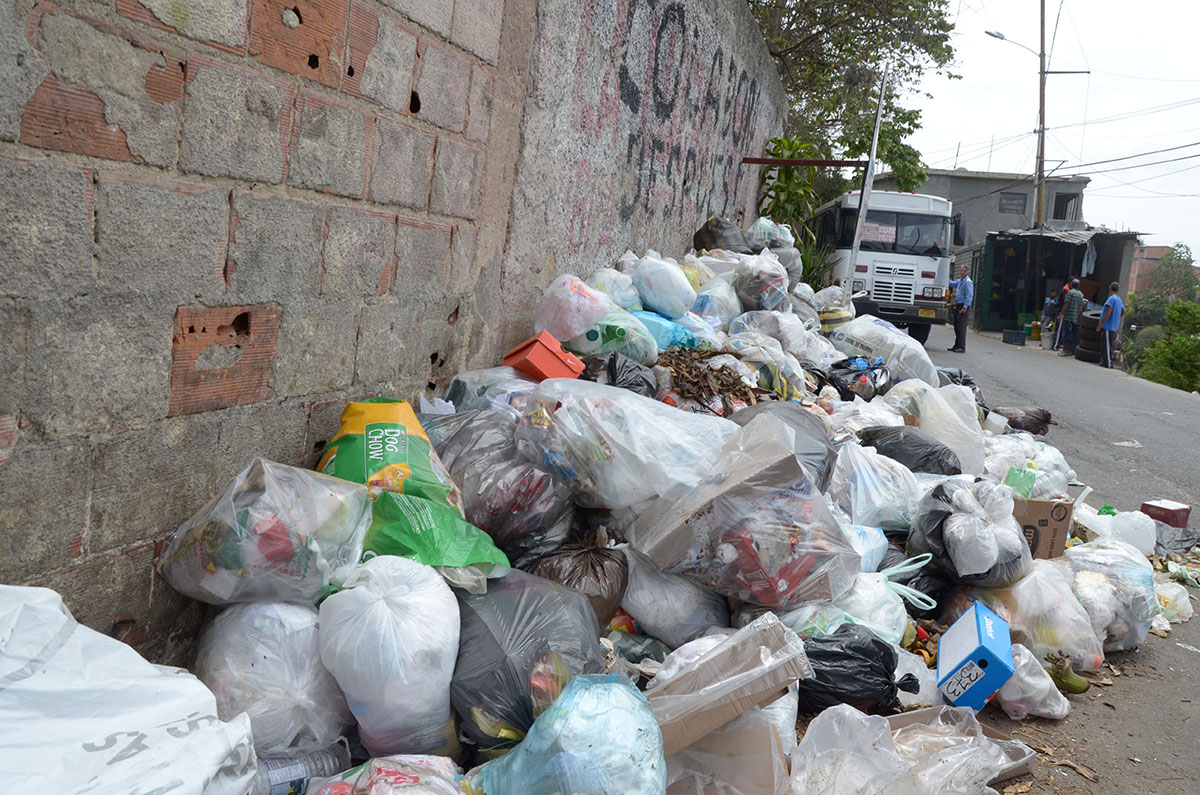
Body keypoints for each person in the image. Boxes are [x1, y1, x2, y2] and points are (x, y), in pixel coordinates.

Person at [946, 264, 973, 353]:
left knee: (961, 326)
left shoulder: (968, 282)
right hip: (957, 305)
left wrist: (965, 307)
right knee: (957, 326)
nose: (962, 272)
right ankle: (956, 345)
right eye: (961, 271)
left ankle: (961, 346)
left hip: (963, 306)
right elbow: (952, 284)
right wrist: (944, 277)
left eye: (964, 271)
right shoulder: (960, 281)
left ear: (967, 272)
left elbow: (969, 296)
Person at [1097, 281, 1125, 368]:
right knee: (1106, 344)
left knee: (1107, 345)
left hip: (1108, 326)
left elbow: (1108, 312)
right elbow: (1124, 311)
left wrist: (1100, 324)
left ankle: (1109, 363)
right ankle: (1104, 361)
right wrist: (1117, 318)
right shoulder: (1119, 299)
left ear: (1110, 288)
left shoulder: (1111, 298)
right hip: (1113, 326)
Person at [1057, 278, 1085, 356]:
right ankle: (1071, 350)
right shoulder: (1081, 294)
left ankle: (1066, 350)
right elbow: (1081, 307)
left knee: (1066, 333)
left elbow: (1066, 304)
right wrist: (1078, 316)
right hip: (1075, 317)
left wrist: (1061, 314)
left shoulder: (1070, 292)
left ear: (1071, 285)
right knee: (1073, 333)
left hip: (1068, 316)